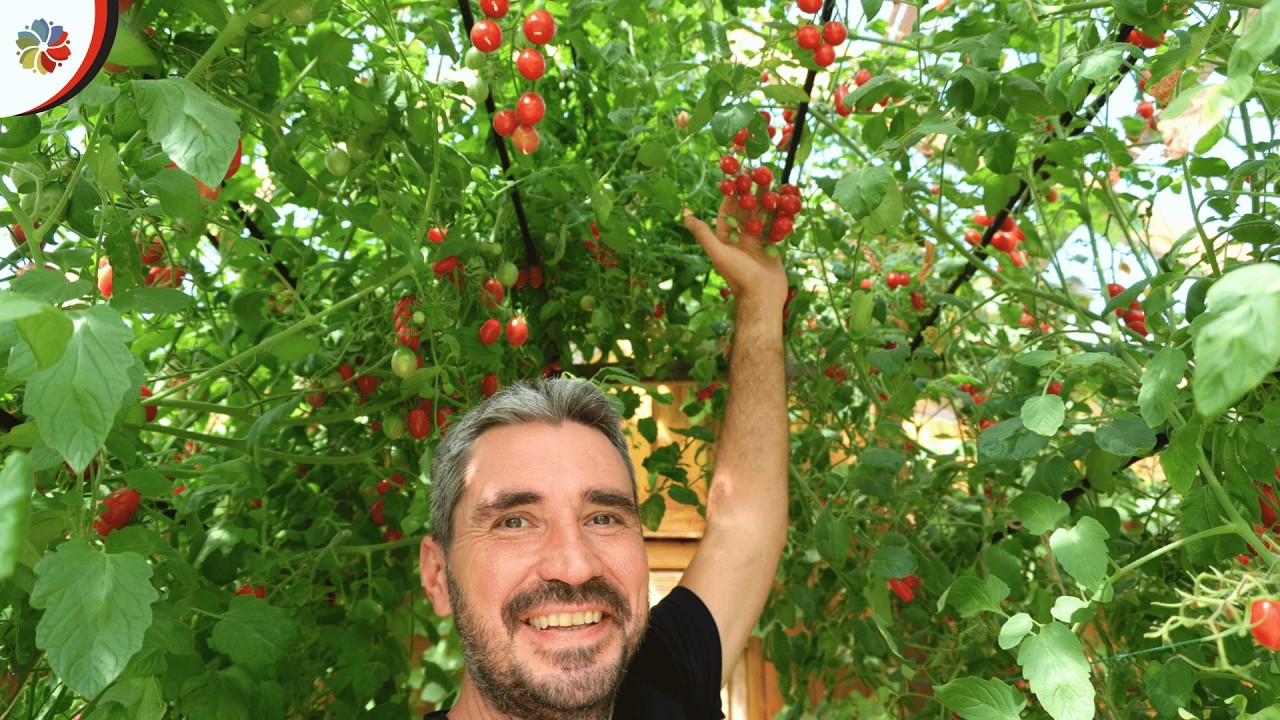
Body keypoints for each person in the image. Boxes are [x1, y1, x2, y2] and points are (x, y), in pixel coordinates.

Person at [418, 195, 789, 719]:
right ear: (438, 578)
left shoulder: (663, 680)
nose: (574, 565)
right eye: (516, 521)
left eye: (604, 517)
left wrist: (760, 304)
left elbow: (744, 528)